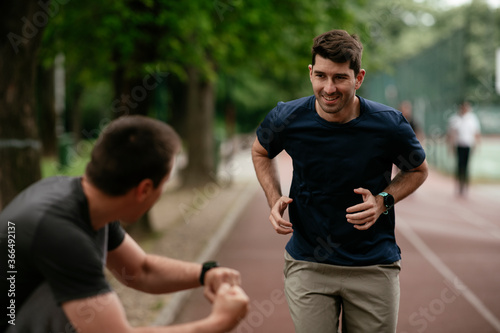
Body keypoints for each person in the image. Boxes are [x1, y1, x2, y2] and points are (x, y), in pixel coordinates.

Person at [1, 115, 249, 333]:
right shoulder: (62, 235)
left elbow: (140, 270)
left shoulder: (80, 198)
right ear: (144, 189)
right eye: (164, 184)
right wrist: (218, 323)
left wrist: (206, 273)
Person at [251, 29, 428, 332]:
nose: (328, 88)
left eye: (340, 78)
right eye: (321, 76)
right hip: (309, 263)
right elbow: (260, 152)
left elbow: (418, 170)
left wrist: (383, 201)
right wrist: (273, 198)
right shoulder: (287, 117)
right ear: (311, 73)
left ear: (358, 78)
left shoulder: (388, 124)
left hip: (374, 265)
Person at [447, 101, 481, 196]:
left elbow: (476, 132)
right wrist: (450, 146)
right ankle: (459, 185)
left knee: (466, 166)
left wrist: (477, 145)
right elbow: (451, 134)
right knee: (459, 166)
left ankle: (465, 186)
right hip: (459, 145)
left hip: (468, 145)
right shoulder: (455, 119)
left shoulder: (472, 119)